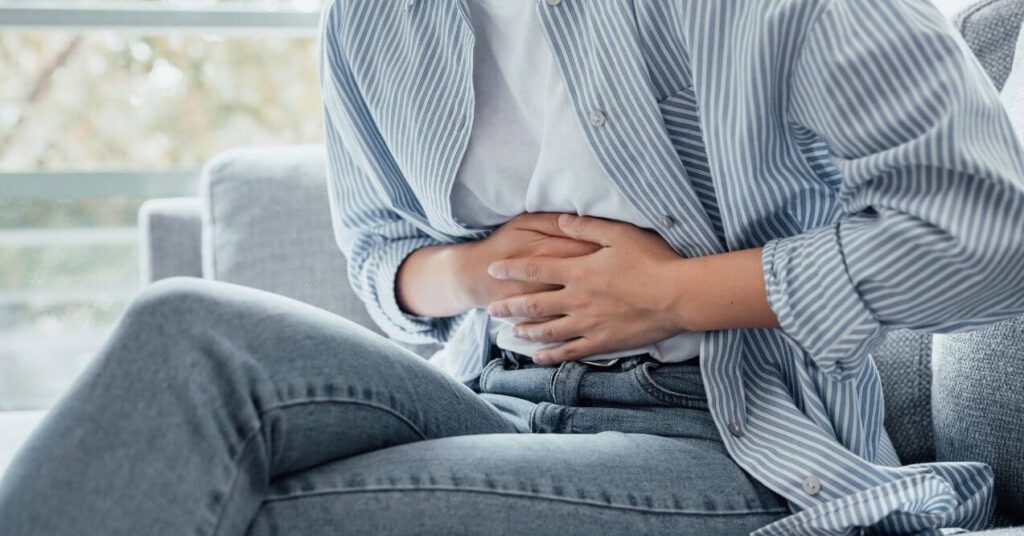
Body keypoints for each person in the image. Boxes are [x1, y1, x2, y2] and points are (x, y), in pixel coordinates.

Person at [2, 0, 1024, 534]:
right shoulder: (371, 20)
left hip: (727, 434)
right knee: (185, 328)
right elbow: (378, 255)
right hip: (488, 391)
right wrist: (471, 273)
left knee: (221, 505)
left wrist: (672, 293)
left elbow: (987, 241)